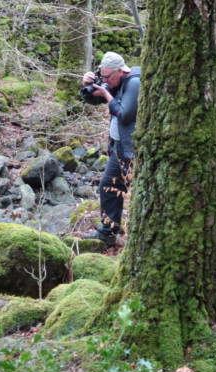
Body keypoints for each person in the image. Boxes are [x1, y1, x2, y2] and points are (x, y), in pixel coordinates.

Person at [80, 52, 141, 247]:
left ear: (119, 71)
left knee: (138, 193)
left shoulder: (133, 83)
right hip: (118, 147)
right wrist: (86, 85)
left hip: (132, 150)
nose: (105, 80)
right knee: (108, 187)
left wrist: (106, 94)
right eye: (102, 76)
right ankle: (108, 232)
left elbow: (125, 115)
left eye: (107, 77)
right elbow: (91, 99)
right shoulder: (115, 81)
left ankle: (139, 237)